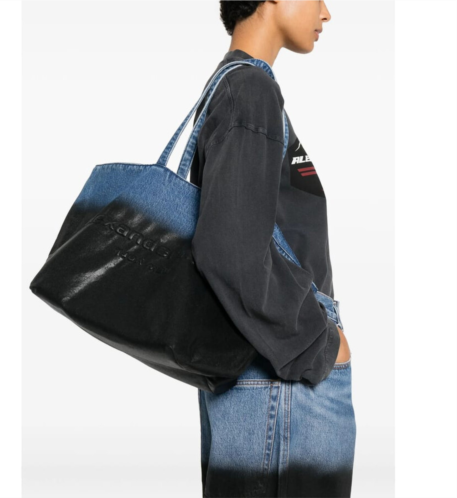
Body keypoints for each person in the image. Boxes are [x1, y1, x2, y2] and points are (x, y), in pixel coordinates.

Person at [189, 0, 356, 497]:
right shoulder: (250, 90)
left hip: (261, 376)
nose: (326, 13)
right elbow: (231, 254)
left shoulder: (233, 86)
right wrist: (321, 345)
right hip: (284, 382)